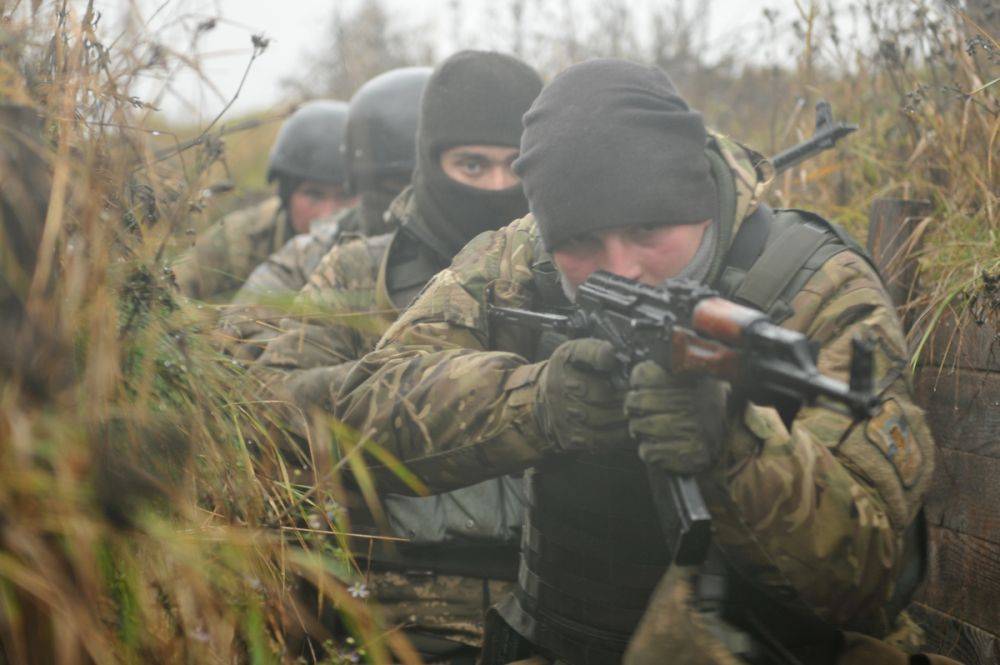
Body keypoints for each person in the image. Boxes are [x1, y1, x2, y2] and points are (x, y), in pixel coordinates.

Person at [331, 60, 937, 664]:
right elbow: (361, 414)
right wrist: (538, 402)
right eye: (584, 243)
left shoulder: (818, 286)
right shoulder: (525, 256)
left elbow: (867, 574)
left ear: (698, 198)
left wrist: (734, 446)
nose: (619, 267)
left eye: (647, 228)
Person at [258, 51, 544, 663]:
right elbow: (271, 404)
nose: (498, 189)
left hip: (547, 614)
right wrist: (423, 393)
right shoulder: (361, 272)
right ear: (430, 164)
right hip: (388, 616)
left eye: (515, 166)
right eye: (471, 164)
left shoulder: (580, 268)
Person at [217, 68, 431, 358]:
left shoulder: (501, 251)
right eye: (394, 185)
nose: (407, 203)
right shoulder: (318, 252)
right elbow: (242, 339)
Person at [172, 100, 354, 301]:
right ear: (286, 195)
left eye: (345, 196)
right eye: (314, 195)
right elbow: (169, 294)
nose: (327, 213)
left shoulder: (383, 247)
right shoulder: (239, 239)